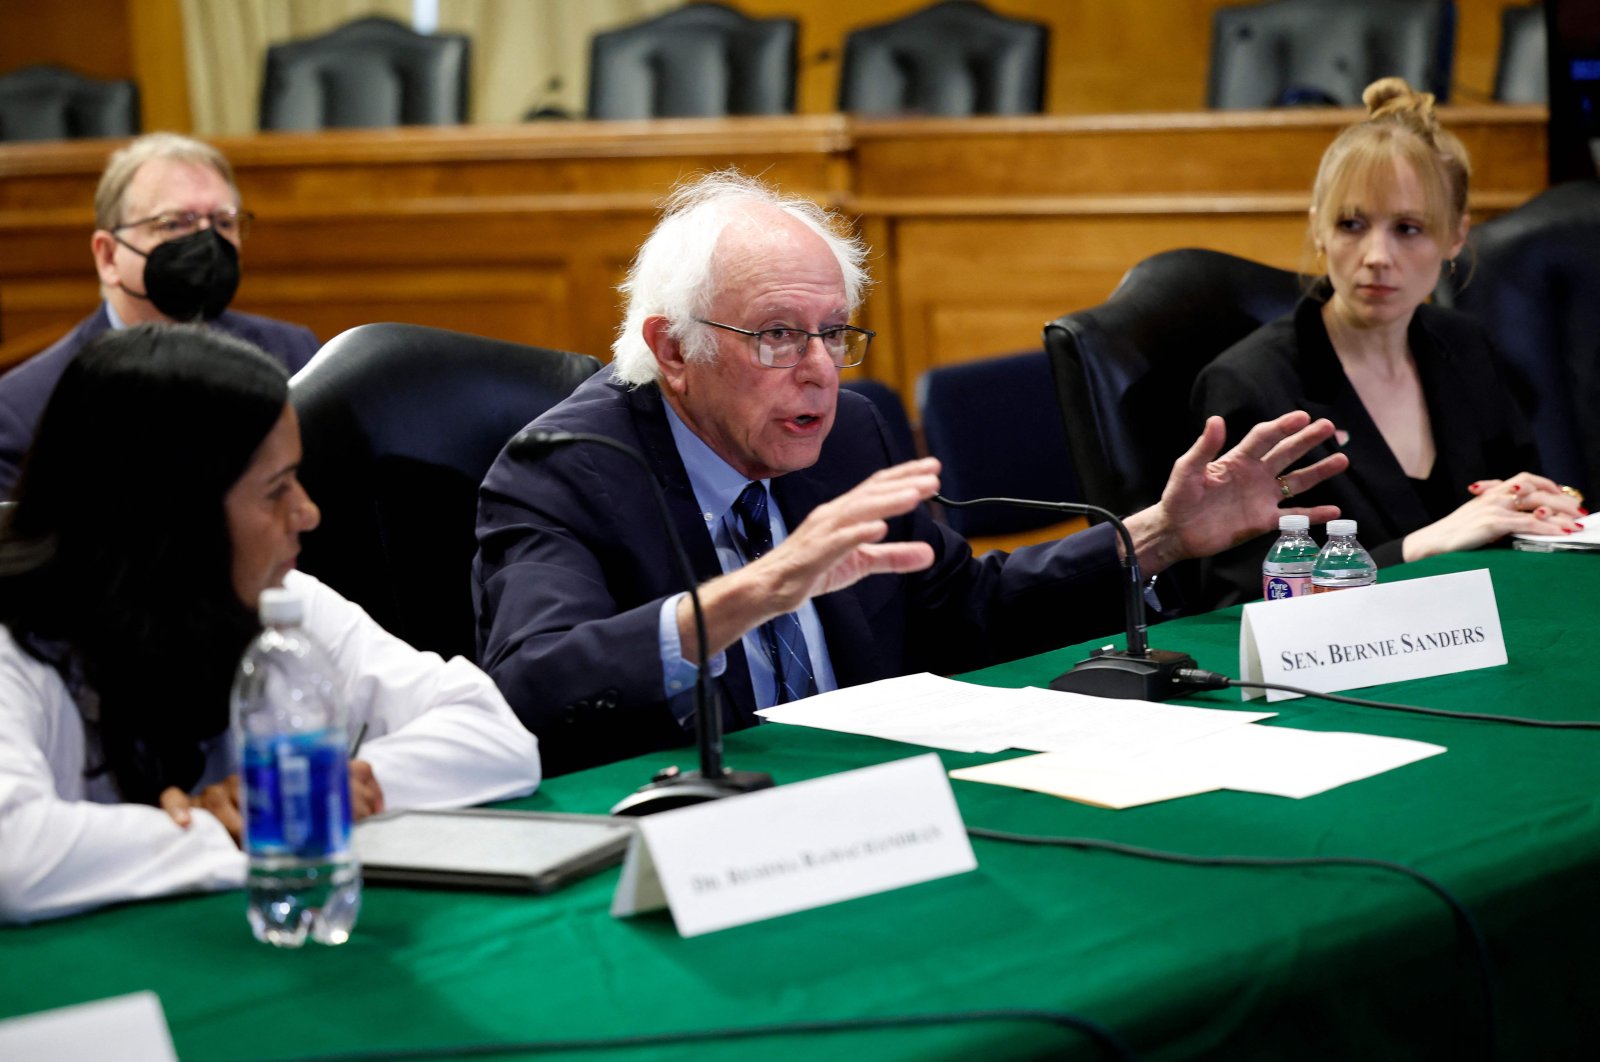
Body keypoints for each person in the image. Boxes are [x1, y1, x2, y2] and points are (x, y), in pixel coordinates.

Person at [474, 170, 1349, 776]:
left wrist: (1160, 535)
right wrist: (764, 586)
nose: (818, 367)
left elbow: (964, 610)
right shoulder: (566, 470)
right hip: (696, 835)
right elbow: (532, 685)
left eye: (834, 332)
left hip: (879, 803)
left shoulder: (847, 432)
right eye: (777, 334)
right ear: (672, 348)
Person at [0, 325, 540, 925]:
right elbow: (14, 854)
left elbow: (496, 737)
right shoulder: (14, 640)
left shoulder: (280, 600)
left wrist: (315, 793)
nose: (308, 512)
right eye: (275, 490)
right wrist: (231, 827)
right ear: (173, 517)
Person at [1191, 78, 1585, 607]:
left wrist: (1536, 505)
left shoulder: (1463, 345)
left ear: (1455, 238)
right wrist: (1419, 547)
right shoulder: (1251, 384)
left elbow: (1508, 500)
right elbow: (1238, 602)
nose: (1377, 255)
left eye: (1407, 228)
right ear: (1319, 231)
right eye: (1352, 224)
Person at [0, 133, 321, 498]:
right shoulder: (23, 409)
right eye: (175, 224)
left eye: (223, 222)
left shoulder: (295, 354)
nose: (208, 242)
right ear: (108, 257)